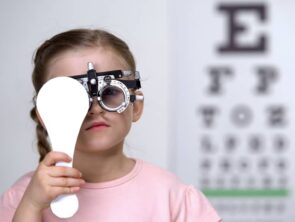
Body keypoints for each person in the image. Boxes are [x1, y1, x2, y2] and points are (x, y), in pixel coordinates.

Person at [0, 28, 221, 222]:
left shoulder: (173, 197)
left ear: (135, 107)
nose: (95, 109)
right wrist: (31, 206)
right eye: (72, 98)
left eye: (111, 92)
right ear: (47, 116)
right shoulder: (24, 197)